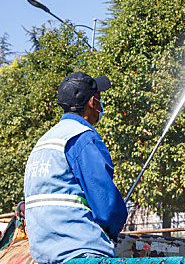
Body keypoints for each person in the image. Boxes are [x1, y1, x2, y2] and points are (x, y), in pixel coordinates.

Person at [24, 71, 128, 264]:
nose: (101, 105)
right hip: (81, 252)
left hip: (45, 256)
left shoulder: (45, 142)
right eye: (99, 99)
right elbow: (106, 206)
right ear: (92, 102)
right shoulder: (82, 138)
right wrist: (115, 224)